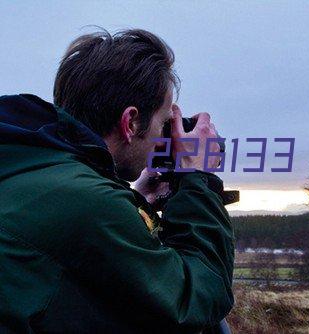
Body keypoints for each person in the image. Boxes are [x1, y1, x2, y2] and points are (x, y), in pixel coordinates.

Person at [0, 29, 234, 333]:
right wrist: (197, 173)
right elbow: (195, 300)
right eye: (165, 123)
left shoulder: (25, 162)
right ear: (131, 122)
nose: (165, 136)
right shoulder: (90, 203)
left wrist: (135, 200)